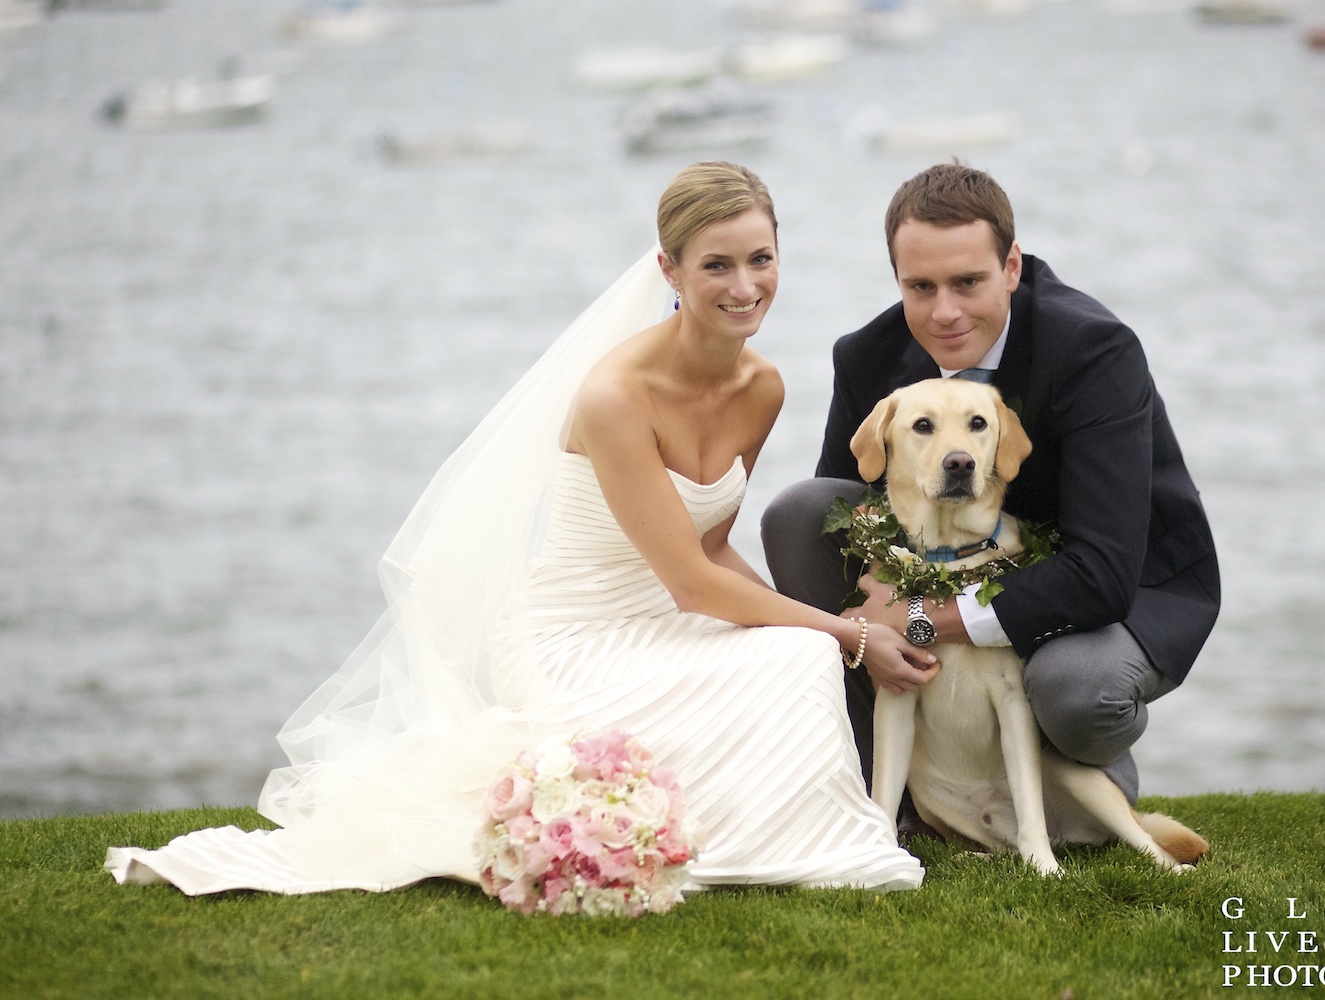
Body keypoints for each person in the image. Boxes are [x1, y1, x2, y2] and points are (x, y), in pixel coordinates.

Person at [106, 162, 926, 896]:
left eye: (760, 259)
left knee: (793, 659)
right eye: (717, 264)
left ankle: (795, 844)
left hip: (669, 620)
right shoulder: (614, 397)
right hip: (572, 638)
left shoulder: (763, 386)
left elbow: (711, 549)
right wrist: (848, 632)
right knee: (811, 649)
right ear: (670, 268)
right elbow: (689, 577)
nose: (744, 285)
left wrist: (822, 633)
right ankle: (724, 843)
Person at [761, 163, 1220, 806]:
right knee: (802, 514)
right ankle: (879, 787)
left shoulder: (1095, 351)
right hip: (960, 563)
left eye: (968, 282)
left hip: (1123, 584)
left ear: (1011, 266)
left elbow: (1103, 572)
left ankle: (1085, 769)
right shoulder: (866, 356)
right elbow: (848, 524)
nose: (944, 312)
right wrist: (870, 623)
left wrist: (918, 617)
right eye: (919, 286)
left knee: (1076, 691)